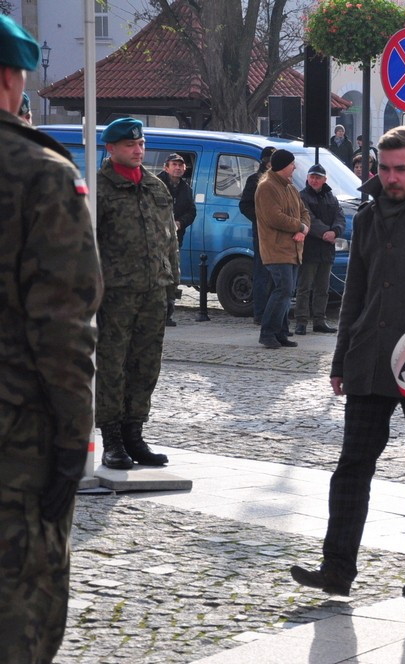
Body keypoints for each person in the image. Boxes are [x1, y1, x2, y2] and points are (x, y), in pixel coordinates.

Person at [290, 126, 405, 598]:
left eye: (401, 169)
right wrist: (340, 360)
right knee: (352, 466)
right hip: (368, 361)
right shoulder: (367, 219)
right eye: (384, 169)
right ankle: (336, 567)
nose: (391, 177)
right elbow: (355, 295)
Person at [0, 16, 103, 663]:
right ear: (11, 79)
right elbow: (64, 331)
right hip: (15, 448)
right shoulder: (37, 175)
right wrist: (73, 442)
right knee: (20, 623)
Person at [94, 117, 178, 470]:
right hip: (114, 293)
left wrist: (172, 281)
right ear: (111, 149)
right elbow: (86, 243)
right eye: (130, 145)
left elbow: (169, 238)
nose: (138, 150)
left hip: (153, 290)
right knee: (113, 365)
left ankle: (134, 434)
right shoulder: (98, 189)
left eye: (141, 144)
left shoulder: (156, 186)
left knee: (146, 365)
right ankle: (112, 439)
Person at [254, 148, 309, 349]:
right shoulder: (267, 187)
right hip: (276, 248)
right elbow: (274, 217)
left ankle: (281, 332)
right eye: (292, 164)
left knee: (287, 292)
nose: (294, 167)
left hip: (293, 248)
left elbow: (304, 212)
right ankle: (267, 332)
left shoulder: (290, 187)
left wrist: (304, 229)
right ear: (284, 166)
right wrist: (299, 226)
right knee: (283, 290)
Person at [294, 163, 344, 336]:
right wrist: (325, 233)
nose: (314, 180)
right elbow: (308, 218)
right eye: (312, 177)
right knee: (304, 286)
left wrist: (335, 231)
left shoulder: (331, 197)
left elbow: (340, 216)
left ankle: (319, 320)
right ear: (307, 178)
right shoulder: (302, 197)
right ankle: (301, 321)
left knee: (323, 288)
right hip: (310, 248)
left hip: (327, 250)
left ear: (324, 180)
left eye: (318, 177)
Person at [239, 145, 277, 325]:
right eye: (269, 161)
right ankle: (260, 313)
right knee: (262, 273)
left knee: (275, 275)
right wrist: (261, 218)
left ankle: (272, 312)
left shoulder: (280, 180)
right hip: (262, 231)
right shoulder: (255, 180)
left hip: (278, 234)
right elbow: (245, 205)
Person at [157, 153, 196, 327]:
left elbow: (191, 212)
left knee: (173, 275)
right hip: (155, 239)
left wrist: (180, 222)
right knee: (157, 275)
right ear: (166, 167)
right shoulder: (156, 184)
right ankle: (156, 312)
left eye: (181, 165)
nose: (178, 168)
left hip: (175, 239)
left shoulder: (186, 188)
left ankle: (168, 314)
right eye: (175, 164)